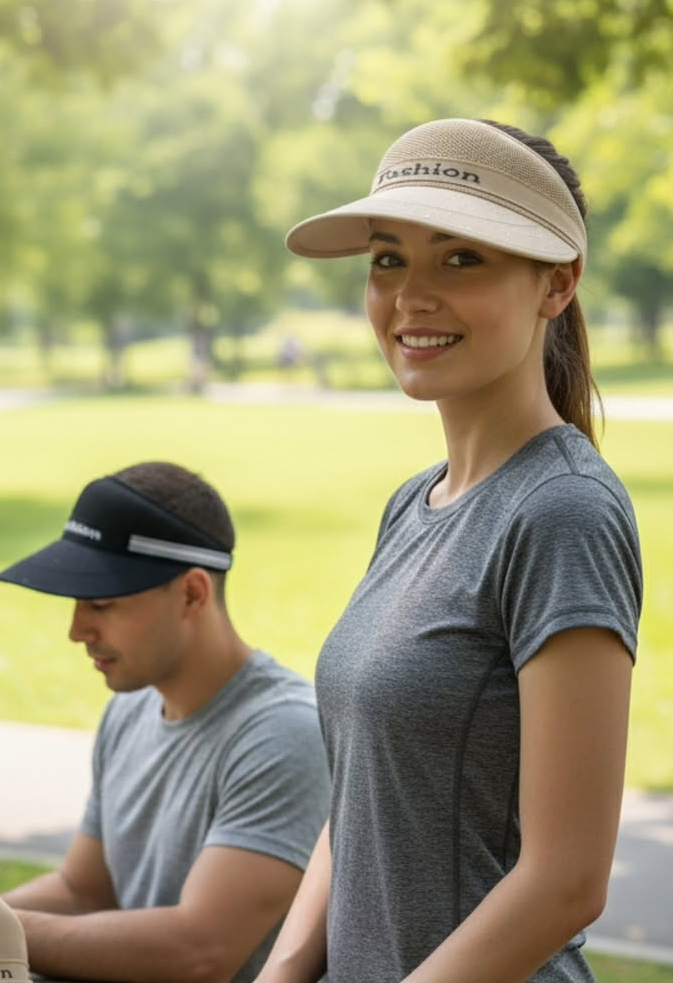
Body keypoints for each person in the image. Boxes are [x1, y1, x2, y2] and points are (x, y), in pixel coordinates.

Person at [255, 118, 643, 983]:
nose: (410, 296)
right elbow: (360, 795)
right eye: (388, 259)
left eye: (461, 258)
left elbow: (566, 882)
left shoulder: (562, 513)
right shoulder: (413, 505)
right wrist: (283, 971)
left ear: (558, 283)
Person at [0, 460, 331, 983]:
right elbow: (85, 890)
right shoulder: (132, 707)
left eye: (102, 603)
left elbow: (199, 952)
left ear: (192, 593)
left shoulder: (285, 736)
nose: (77, 630)